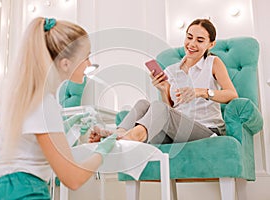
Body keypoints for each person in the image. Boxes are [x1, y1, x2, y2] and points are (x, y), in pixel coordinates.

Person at [0, 17, 117, 200]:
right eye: (86, 57)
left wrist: (69, 126)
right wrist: (102, 151)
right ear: (66, 63)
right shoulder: (44, 102)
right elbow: (73, 178)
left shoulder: (30, 96)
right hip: (22, 190)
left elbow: (39, 149)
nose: (89, 64)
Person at [89, 18, 238, 144]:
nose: (192, 44)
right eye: (189, 37)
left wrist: (200, 92)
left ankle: (130, 137)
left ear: (211, 44)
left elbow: (232, 94)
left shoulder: (213, 63)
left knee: (158, 108)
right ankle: (119, 133)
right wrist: (163, 90)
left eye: (200, 40)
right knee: (144, 104)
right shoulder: (172, 70)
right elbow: (170, 110)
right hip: (178, 130)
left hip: (206, 129)